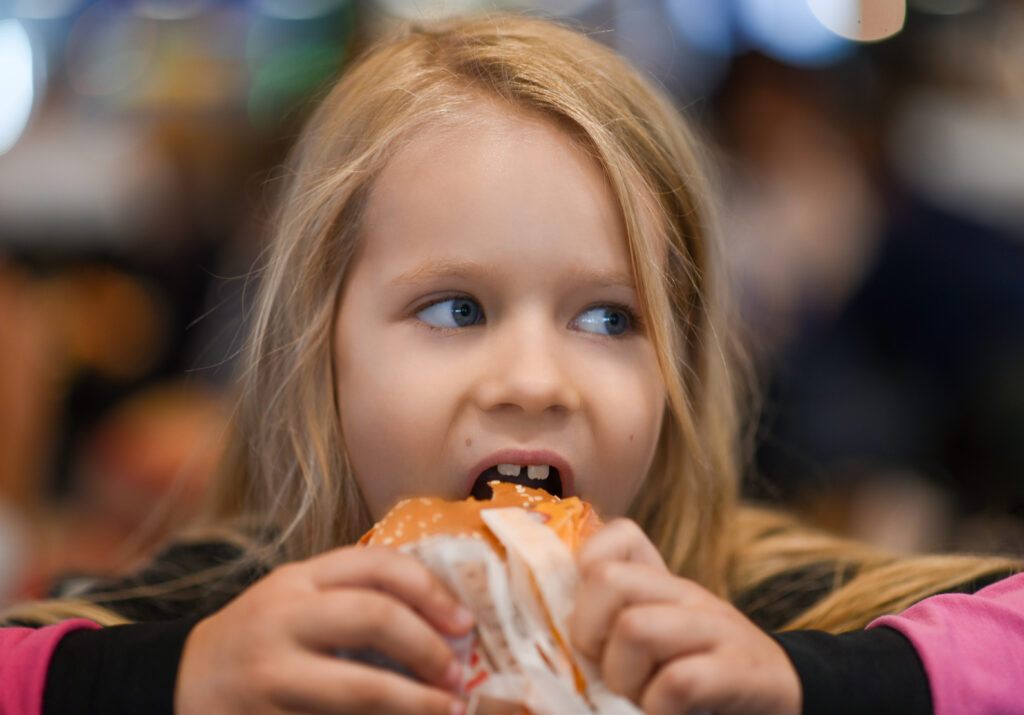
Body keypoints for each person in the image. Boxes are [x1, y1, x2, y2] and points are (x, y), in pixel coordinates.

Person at [1, 13, 1020, 715]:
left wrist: (807, 684)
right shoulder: (234, 625)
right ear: (323, 358)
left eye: (609, 318)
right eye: (456, 308)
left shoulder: (738, 614)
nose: (534, 378)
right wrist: (170, 678)